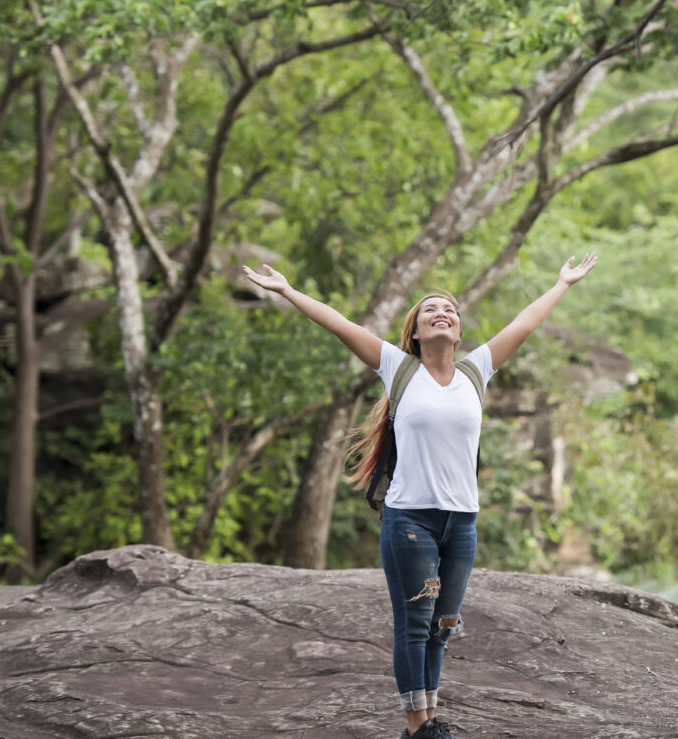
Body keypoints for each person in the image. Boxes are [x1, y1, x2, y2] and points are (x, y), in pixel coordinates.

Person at [242, 253, 598, 739]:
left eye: (449, 310)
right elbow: (340, 323)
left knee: (443, 625)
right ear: (415, 331)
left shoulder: (478, 370)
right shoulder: (397, 367)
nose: (442, 313)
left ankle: (429, 718)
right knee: (414, 622)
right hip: (411, 521)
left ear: (458, 331)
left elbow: (525, 321)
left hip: (462, 524)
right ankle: (418, 725)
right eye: (431, 309)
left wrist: (563, 282)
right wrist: (287, 290)